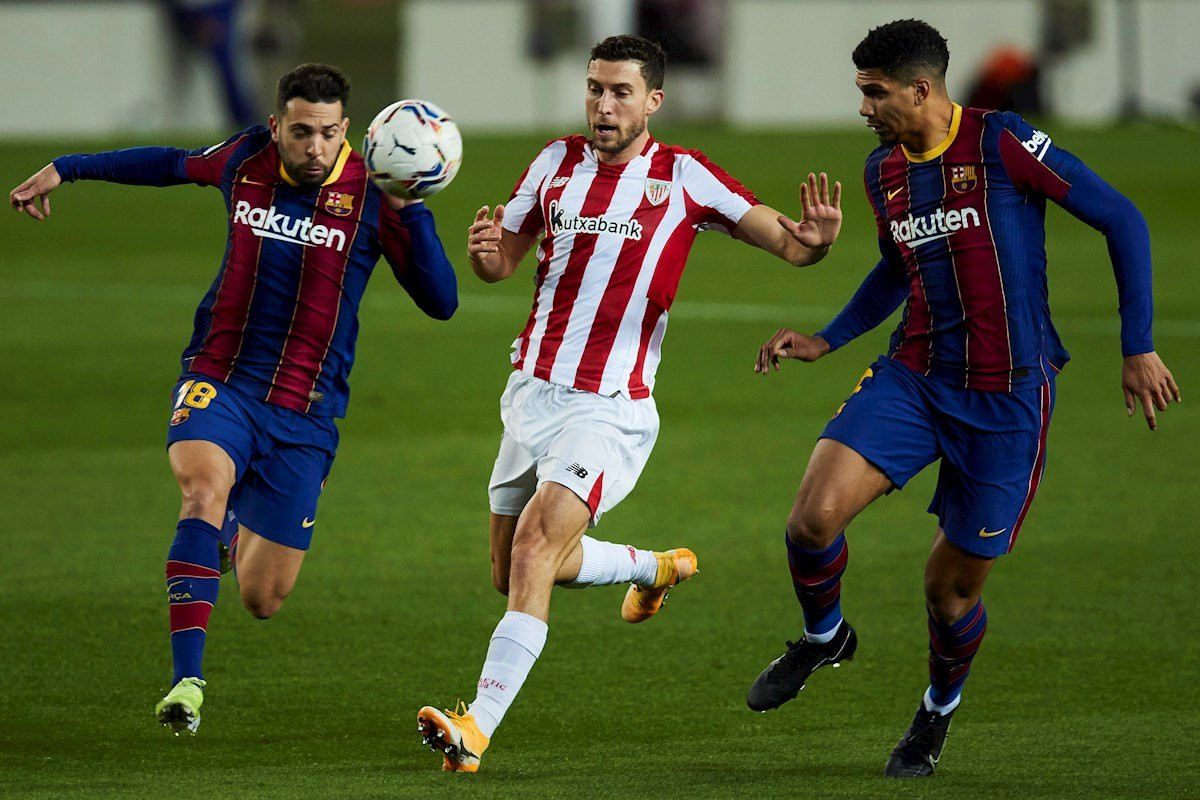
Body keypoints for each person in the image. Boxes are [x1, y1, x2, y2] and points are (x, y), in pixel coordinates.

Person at [746, 19, 1180, 778]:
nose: (864, 110)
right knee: (811, 520)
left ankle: (935, 714)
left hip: (1008, 400)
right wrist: (828, 337)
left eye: (874, 94)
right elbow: (894, 268)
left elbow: (1121, 218)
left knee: (947, 592)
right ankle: (824, 638)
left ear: (921, 89)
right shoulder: (883, 171)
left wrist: (1137, 342)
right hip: (915, 376)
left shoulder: (1003, 141)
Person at [414, 34, 842, 773]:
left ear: (653, 102)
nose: (603, 105)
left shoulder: (685, 177)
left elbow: (788, 241)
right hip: (531, 395)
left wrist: (816, 243)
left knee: (534, 550)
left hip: (608, 406)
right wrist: (486, 251)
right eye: (594, 89)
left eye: (619, 92)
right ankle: (653, 568)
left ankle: (475, 727)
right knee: (513, 570)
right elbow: (501, 261)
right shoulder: (552, 164)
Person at [9, 63, 458, 735]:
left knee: (263, 597)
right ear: (277, 125)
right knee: (200, 490)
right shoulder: (246, 157)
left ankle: (229, 524)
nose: (313, 148)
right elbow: (169, 162)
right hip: (220, 378)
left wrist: (413, 209)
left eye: (329, 134)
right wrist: (68, 168)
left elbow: (442, 302)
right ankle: (186, 681)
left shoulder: (373, 194)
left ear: (349, 131)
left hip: (305, 413)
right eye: (300, 132)